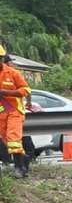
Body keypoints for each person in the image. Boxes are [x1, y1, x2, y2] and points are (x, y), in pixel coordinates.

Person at [0, 46, 31, 177]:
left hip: (15, 111)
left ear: (2, 59)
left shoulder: (13, 73)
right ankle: (24, 161)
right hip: (1, 113)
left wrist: (5, 92)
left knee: (13, 138)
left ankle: (19, 168)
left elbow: (26, 90)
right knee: (8, 141)